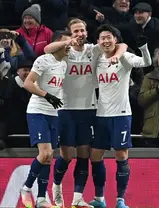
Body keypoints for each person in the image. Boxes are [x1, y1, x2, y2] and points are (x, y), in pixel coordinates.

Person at [43, 18, 128, 207]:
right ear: (70, 34)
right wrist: (67, 42)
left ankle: (77, 197)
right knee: (66, 156)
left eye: (82, 30)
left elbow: (122, 44)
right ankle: (56, 187)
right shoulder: (65, 51)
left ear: (87, 33)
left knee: (84, 155)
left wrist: (117, 55)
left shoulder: (93, 49)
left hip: (89, 110)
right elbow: (46, 50)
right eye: (76, 31)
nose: (80, 34)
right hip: (66, 110)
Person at [89, 24, 151, 208]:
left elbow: (145, 63)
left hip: (122, 114)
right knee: (95, 156)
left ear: (115, 39)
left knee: (121, 154)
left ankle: (120, 200)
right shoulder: (96, 58)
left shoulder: (124, 57)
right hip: (101, 115)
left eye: (109, 37)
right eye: (102, 38)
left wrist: (143, 48)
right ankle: (99, 198)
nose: (106, 40)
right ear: (98, 41)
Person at [20, 30, 71, 208]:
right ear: (58, 43)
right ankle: (26, 188)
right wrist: (46, 95)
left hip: (53, 113)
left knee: (49, 158)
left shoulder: (64, 63)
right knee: (45, 154)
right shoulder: (43, 60)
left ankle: (41, 198)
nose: (69, 47)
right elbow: (28, 83)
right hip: (37, 111)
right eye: (66, 43)